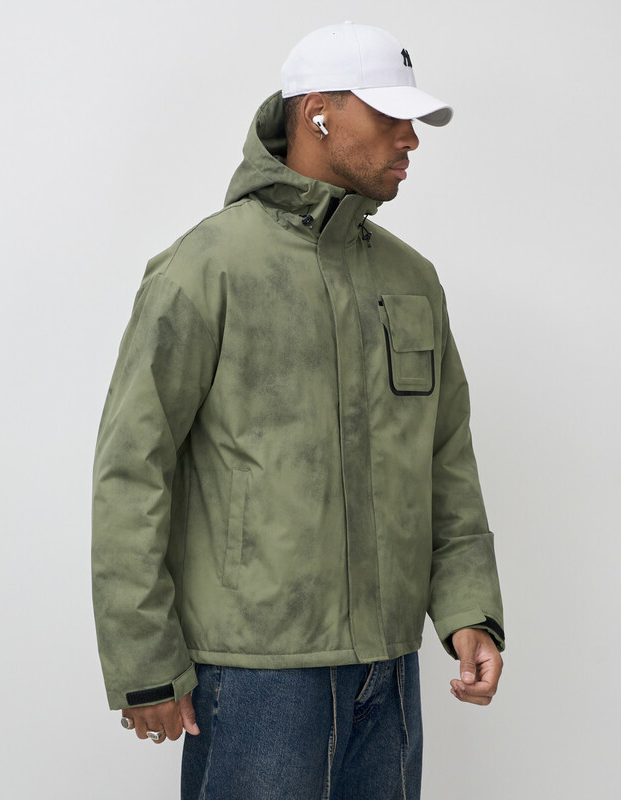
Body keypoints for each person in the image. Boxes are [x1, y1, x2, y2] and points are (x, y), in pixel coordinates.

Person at [92, 21, 505, 799]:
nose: (410, 139)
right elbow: (131, 469)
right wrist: (143, 660)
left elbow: (445, 462)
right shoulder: (205, 268)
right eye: (388, 116)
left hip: (390, 671)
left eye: (413, 120)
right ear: (318, 112)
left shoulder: (411, 280)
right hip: (255, 679)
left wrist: (467, 611)